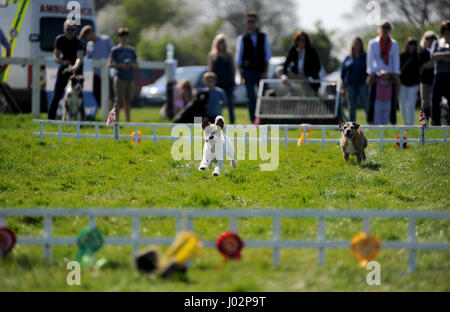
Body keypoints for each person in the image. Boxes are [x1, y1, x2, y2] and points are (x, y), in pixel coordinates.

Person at [235, 12, 271, 124]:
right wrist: (241, 75)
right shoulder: (242, 38)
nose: (251, 23)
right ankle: (253, 120)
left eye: (252, 21)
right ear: (246, 22)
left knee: (263, 96)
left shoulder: (263, 36)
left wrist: (266, 72)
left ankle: (264, 118)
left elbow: (267, 56)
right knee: (251, 98)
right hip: (248, 72)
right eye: (249, 21)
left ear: (255, 22)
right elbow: (238, 57)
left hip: (260, 71)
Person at [48, 20, 84, 120]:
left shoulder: (79, 42)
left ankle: (81, 118)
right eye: (68, 29)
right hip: (64, 68)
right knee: (57, 94)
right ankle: (50, 119)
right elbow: (55, 57)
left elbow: (79, 58)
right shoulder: (59, 39)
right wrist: (63, 63)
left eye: (72, 29)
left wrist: (75, 67)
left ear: (75, 30)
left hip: (76, 69)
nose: (70, 31)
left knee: (79, 95)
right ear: (64, 29)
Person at [366, 20, 401, 125]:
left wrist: (394, 74)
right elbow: (370, 60)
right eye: (383, 27)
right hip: (376, 76)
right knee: (373, 100)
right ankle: (371, 122)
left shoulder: (394, 44)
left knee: (391, 99)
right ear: (379, 29)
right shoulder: (373, 43)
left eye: (387, 27)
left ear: (390, 30)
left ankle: (391, 122)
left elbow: (396, 60)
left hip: (390, 76)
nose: (385, 30)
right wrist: (372, 73)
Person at [80, 25, 114, 109]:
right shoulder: (89, 44)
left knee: (109, 96)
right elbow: (88, 58)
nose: (86, 39)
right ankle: (102, 114)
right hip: (95, 76)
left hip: (106, 74)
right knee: (98, 96)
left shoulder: (106, 40)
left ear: (91, 33)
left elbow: (113, 53)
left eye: (86, 36)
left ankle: (110, 116)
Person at [108, 28, 138, 122]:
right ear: (119, 37)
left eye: (125, 36)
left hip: (130, 78)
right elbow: (110, 64)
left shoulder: (132, 50)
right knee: (118, 101)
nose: (124, 38)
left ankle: (127, 122)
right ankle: (114, 121)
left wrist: (130, 65)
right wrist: (120, 66)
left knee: (128, 100)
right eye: (122, 36)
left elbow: (136, 65)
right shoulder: (115, 50)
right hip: (120, 78)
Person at [278, 30, 321, 95]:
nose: (301, 42)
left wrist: (310, 77)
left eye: (303, 40)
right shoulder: (293, 49)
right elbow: (286, 63)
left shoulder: (311, 50)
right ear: (296, 40)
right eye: (299, 39)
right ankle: (291, 90)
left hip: (306, 77)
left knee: (308, 97)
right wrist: (284, 75)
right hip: (296, 74)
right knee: (279, 70)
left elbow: (318, 66)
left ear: (306, 41)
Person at [208, 33, 236, 124]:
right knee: (218, 105)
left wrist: (234, 80)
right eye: (219, 42)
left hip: (228, 82)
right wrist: (210, 83)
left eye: (223, 42)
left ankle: (232, 122)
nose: (221, 44)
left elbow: (233, 68)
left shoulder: (229, 54)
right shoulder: (212, 55)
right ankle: (218, 123)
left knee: (230, 103)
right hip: (217, 83)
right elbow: (210, 70)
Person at [340, 37, 369, 122]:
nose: (356, 45)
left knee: (366, 104)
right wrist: (342, 87)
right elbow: (342, 74)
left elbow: (369, 71)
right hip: (350, 85)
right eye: (355, 43)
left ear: (361, 45)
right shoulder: (348, 58)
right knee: (351, 106)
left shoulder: (365, 57)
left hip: (362, 84)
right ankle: (352, 126)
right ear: (352, 45)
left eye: (358, 43)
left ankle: (370, 123)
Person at [430, 20, 450, 126]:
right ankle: (435, 123)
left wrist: (440, 56)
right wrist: (447, 55)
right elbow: (433, 56)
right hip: (438, 75)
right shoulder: (437, 42)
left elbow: (438, 56)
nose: (447, 32)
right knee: (435, 99)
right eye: (445, 30)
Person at [399, 37, 420, 125]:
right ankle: (405, 122)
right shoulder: (402, 56)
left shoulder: (418, 57)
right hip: (402, 84)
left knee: (411, 105)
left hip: (414, 84)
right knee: (402, 104)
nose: (412, 46)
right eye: (410, 44)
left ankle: (410, 123)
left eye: (414, 44)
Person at [418, 31, 438, 120]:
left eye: (432, 38)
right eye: (428, 39)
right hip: (425, 81)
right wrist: (435, 62)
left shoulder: (438, 51)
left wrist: (432, 63)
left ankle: (435, 122)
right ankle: (424, 122)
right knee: (424, 102)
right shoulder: (422, 52)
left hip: (436, 80)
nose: (430, 41)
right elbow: (423, 65)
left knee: (435, 102)